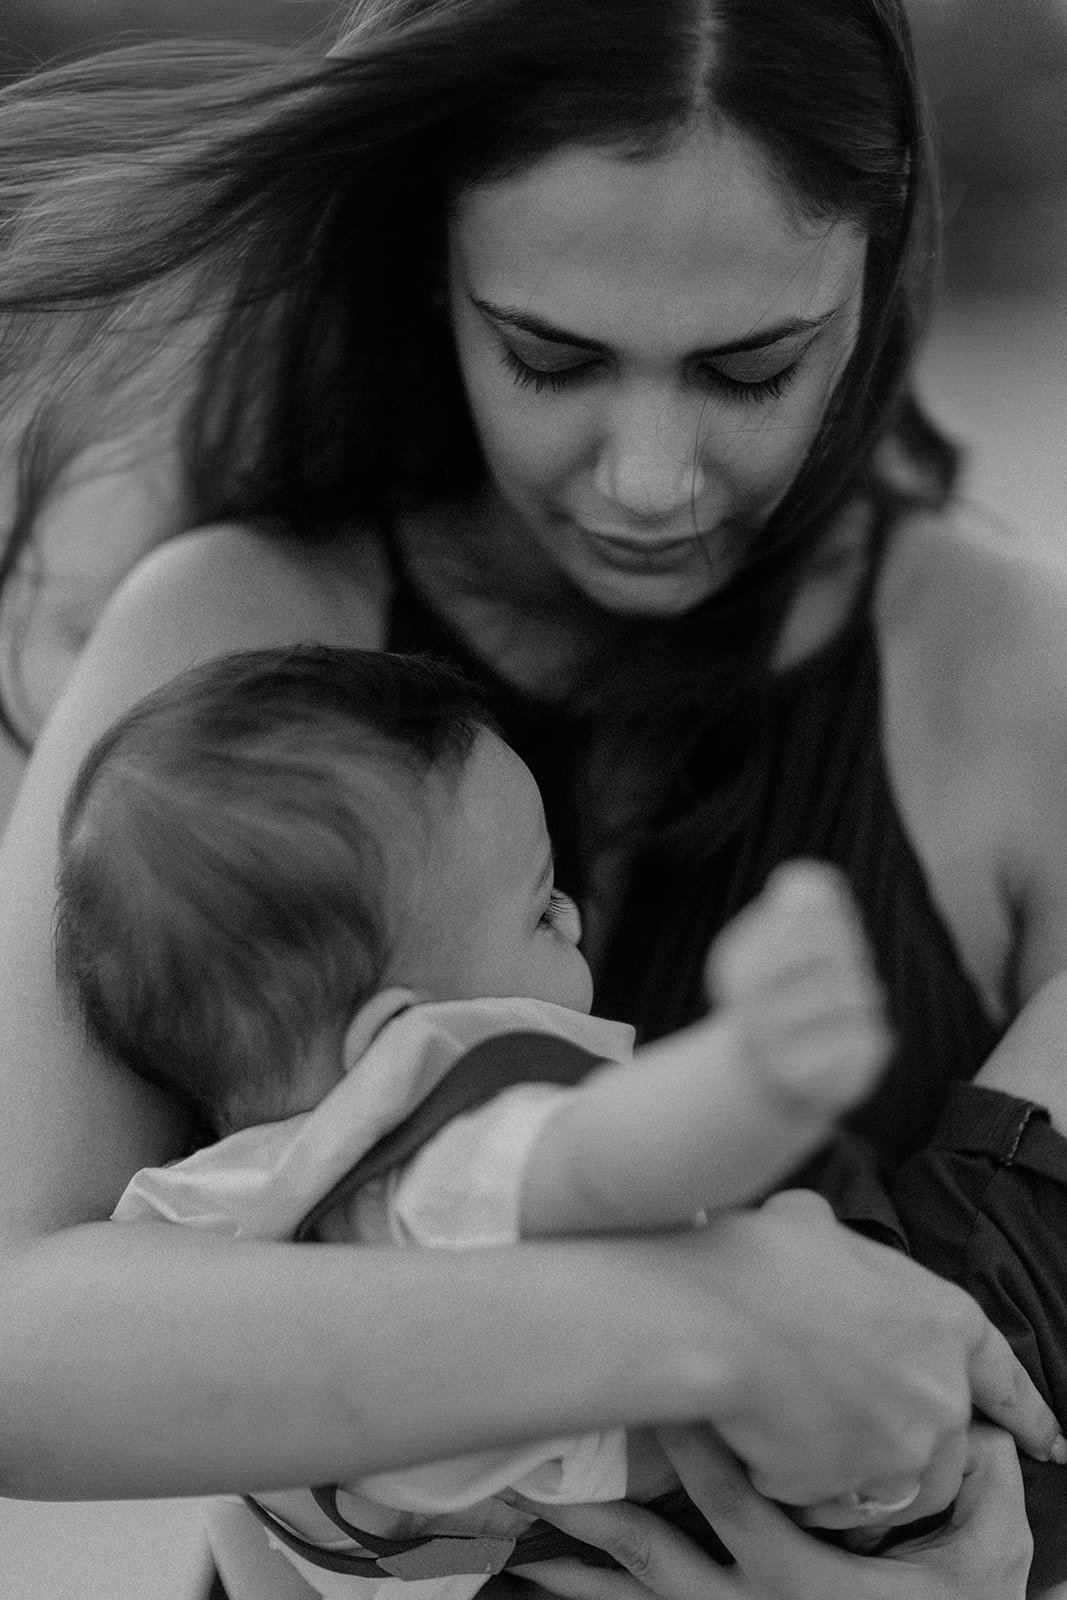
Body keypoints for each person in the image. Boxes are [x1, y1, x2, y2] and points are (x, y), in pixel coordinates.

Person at [0, 1, 1066, 1597]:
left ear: (877, 255)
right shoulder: (225, 631)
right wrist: (719, 1322)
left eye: (747, 365)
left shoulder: (1005, 670)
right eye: (550, 356)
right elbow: (23, 1353)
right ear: (428, 263)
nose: (647, 473)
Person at [56, 641, 896, 1600]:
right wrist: (756, 1073)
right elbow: (617, 1158)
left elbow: (242, 1523)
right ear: (406, 1040)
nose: (576, 917)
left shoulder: (220, 1223)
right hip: (688, 1514)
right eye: (542, 910)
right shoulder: (440, 1157)